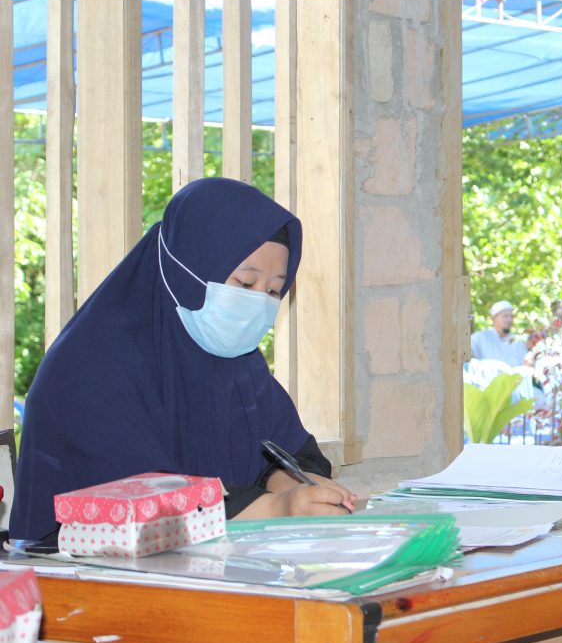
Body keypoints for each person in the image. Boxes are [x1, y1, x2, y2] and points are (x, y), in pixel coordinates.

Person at [10, 177, 354, 546]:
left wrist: (289, 483)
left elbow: (290, 449)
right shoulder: (90, 367)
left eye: (273, 290)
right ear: (186, 268)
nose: (258, 303)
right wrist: (275, 509)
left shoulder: (237, 364)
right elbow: (141, 498)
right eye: (245, 284)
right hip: (82, 573)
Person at [470, 300, 528, 367]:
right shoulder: (479, 338)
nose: (509, 319)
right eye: (505, 316)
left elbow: (524, 365)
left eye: (511, 316)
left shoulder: (518, 343)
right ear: (494, 318)